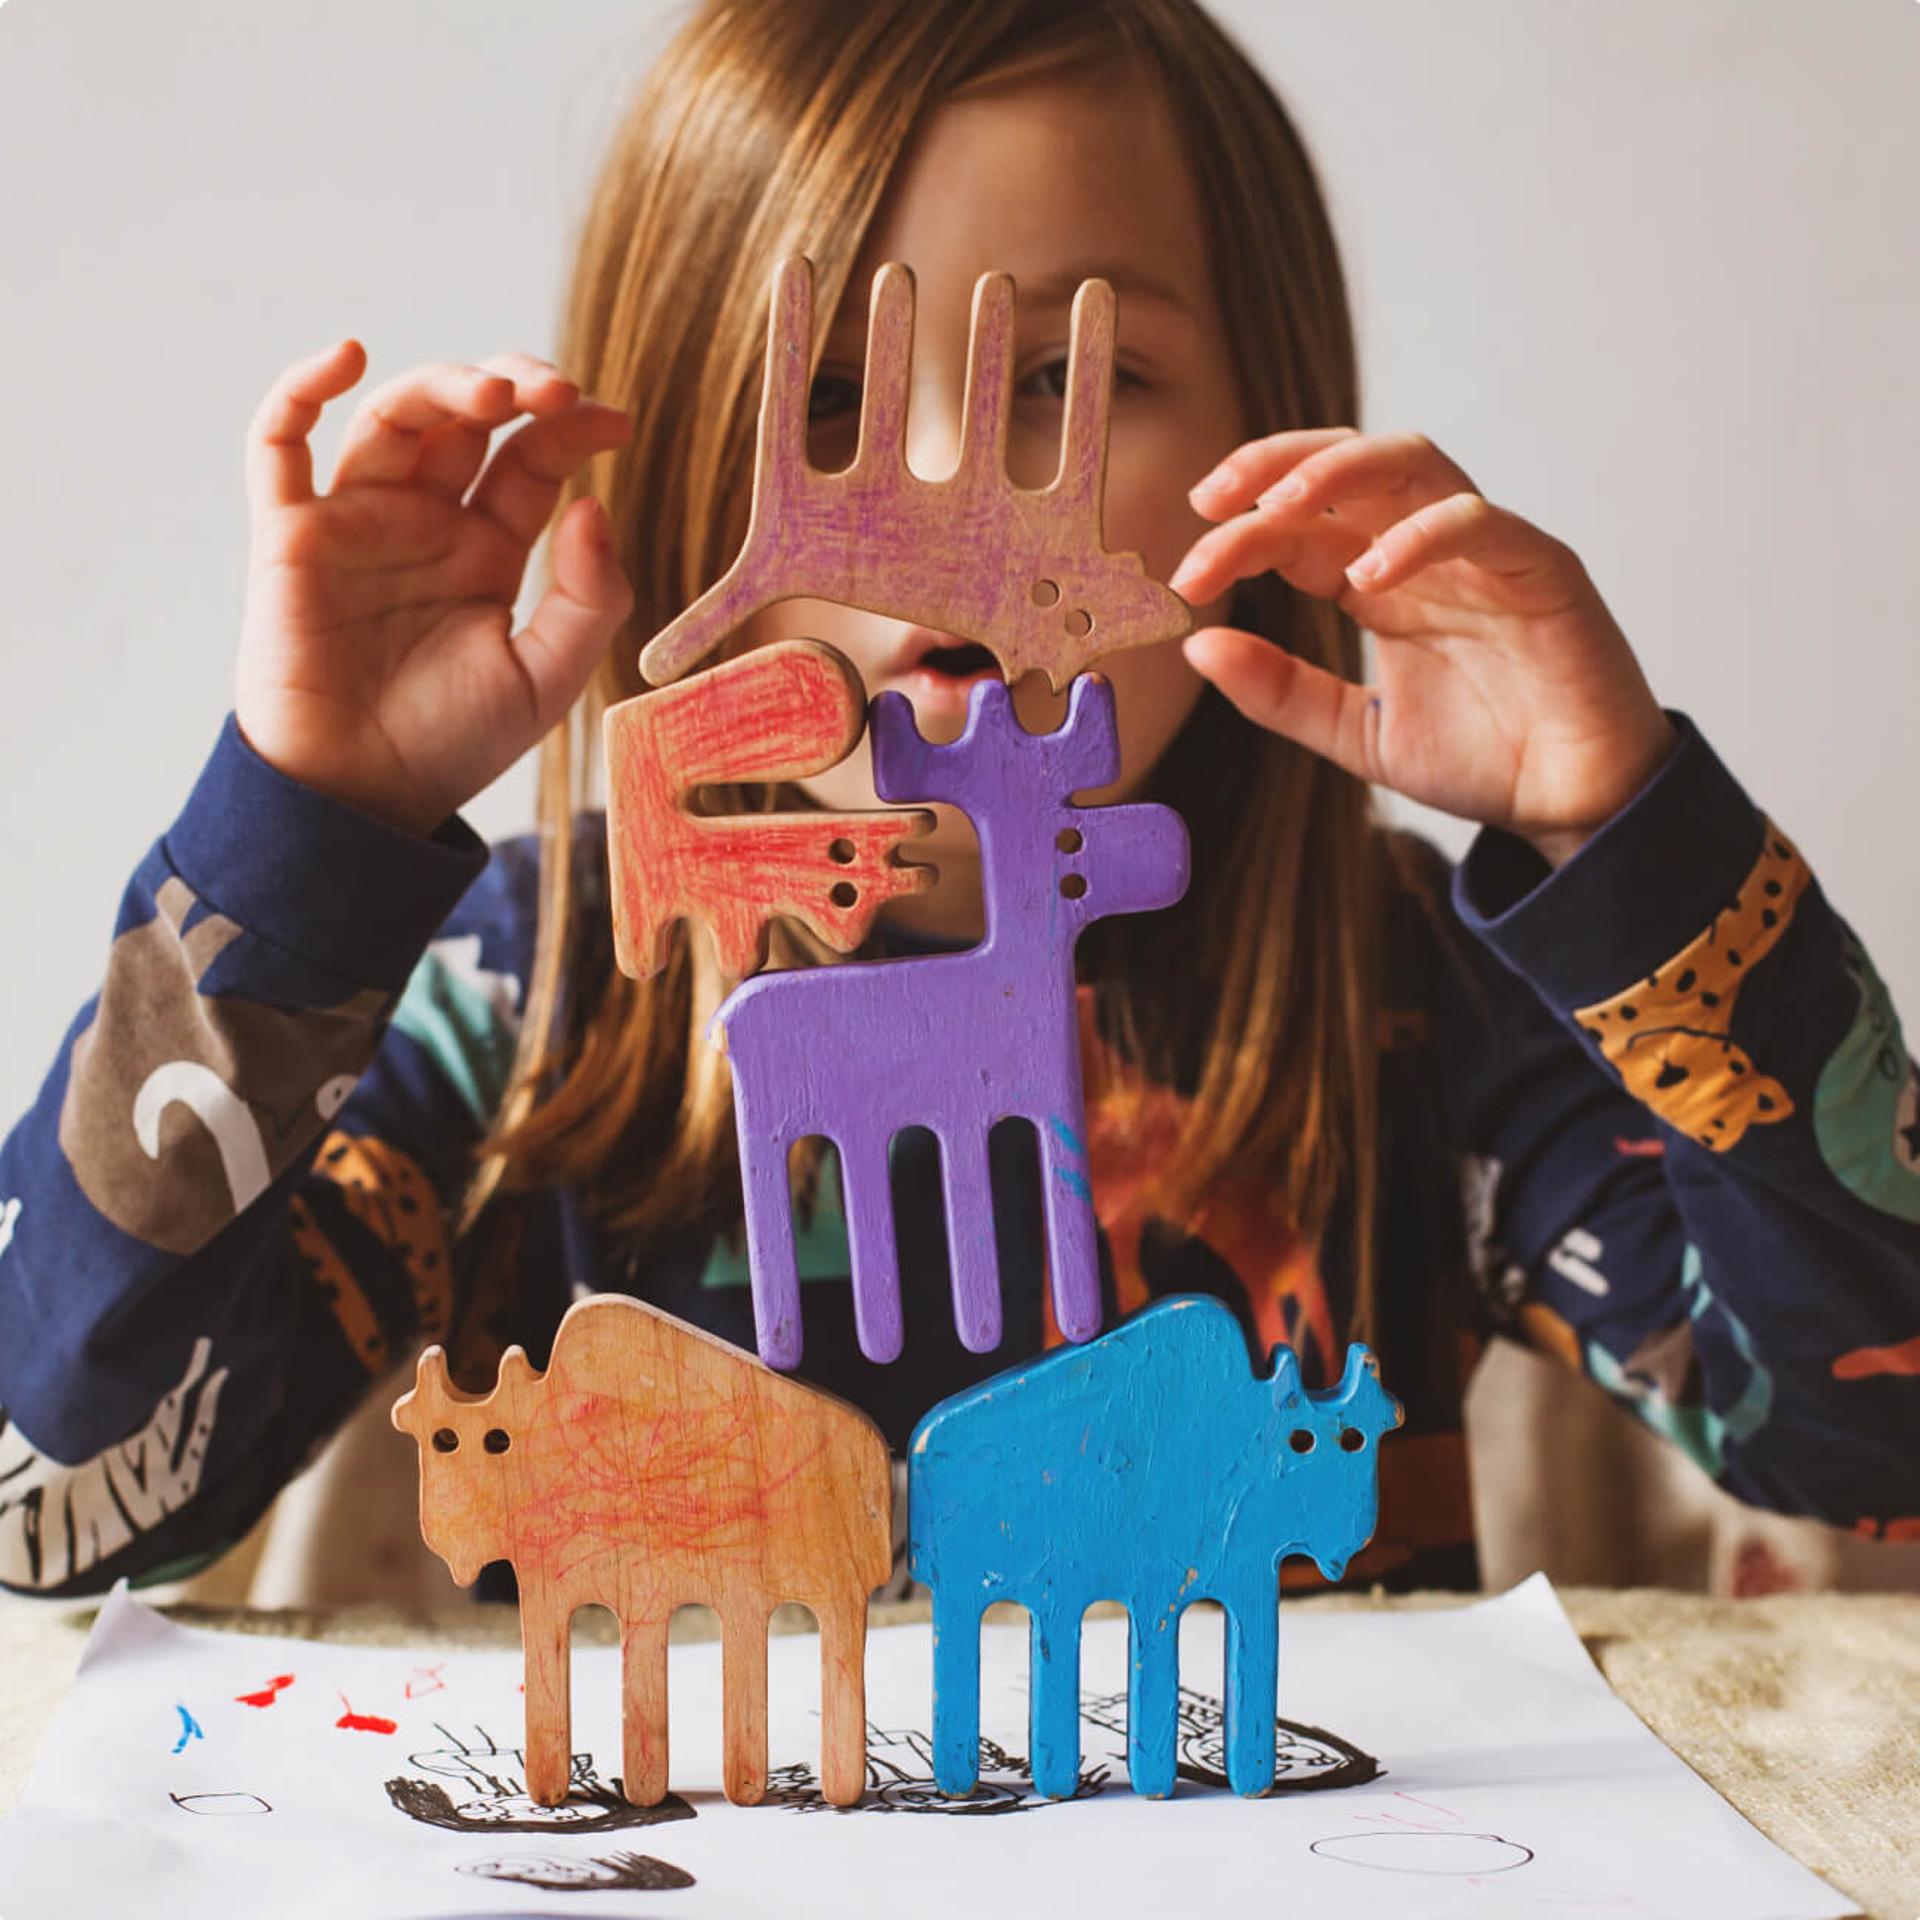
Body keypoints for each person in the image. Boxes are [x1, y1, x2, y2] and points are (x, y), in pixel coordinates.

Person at [2, 0, 1916, 1606]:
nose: (942, 506)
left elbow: (1880, 1444)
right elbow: (52, 1495)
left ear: (1269, 472)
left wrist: (1634, 845)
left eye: (1072, 385)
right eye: (825, 401)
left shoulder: (1406, 995)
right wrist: (301, 836)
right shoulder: (535, 995)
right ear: (662, 494)